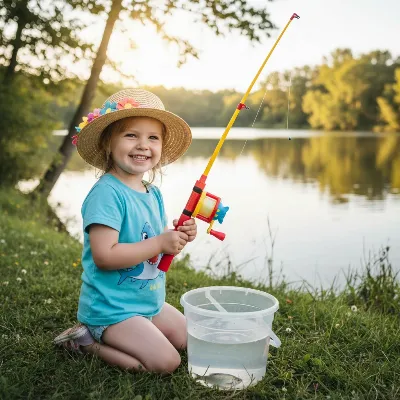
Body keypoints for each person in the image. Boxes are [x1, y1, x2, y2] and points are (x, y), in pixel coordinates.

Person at [54, 88, 197, 374]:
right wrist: (159, 243)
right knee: (167, 363)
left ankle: (134, 331)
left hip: (147, 301)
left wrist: (177, 237)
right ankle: (86, 342)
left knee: (190, 340)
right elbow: (105, 257)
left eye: (152, 137)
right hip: (112, 309)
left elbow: (150, 246)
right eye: (131, 135)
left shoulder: (152, 193)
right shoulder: (107, 194)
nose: (143, 145)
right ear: (109, 142)